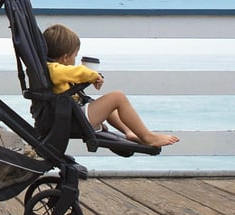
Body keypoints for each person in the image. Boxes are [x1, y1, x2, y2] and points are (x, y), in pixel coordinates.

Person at [43, 23, 179, 148]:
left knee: (108, 106)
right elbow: (77, 71)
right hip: (70, 119)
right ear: (65, 57)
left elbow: (69, 77)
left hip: (69, 115)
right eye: (75, 56)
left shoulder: (54, 71)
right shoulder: (54, 69)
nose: (75, 61)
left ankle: (129, 132)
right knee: (117, 97)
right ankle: (148, 137)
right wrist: (93, 75)